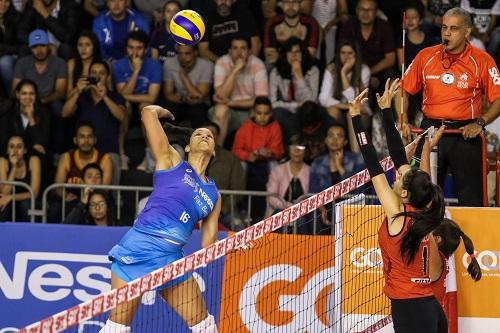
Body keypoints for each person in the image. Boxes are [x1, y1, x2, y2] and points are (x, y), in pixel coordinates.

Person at [98, 104, 221, 333]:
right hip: (137, 250)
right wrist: (159, 112)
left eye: (210, 136)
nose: (205, 136)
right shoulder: (172, 161)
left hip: (171, 260)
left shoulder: (214, 193)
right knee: (116, 328)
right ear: (187, 146)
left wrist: (232, 245)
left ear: (214, 150)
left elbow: (208, 243)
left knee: (206, 327)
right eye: (198, 134)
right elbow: (146, 114)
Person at [349, 80, 447, 332]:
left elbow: (372, 161)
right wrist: (385, 111)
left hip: (411, 310)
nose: (397, 173)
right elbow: (399, 157)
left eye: (400, 177)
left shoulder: (397, 214)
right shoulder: (424, 207)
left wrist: (356, 118)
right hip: (430, 308)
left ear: (404, 193)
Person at [400, 7, 500, 206]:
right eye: (444, 27)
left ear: (467, 32)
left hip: (465, 133)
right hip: (429, 130)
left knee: (471, 200)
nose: (447, 33)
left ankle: (472, 237)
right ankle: (423, 236)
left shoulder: (482, 60)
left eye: (454, 29)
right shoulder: (425, 56)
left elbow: (498, 99)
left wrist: (480, 123)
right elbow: (403, 90)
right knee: (420, 195)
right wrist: (403, 119)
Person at [62, 60, 126, 185]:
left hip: (109, 151)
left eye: (101, 73)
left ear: (107, 77)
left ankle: (112, 203)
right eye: (93, 73)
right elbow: (65, 113)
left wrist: (105, 97)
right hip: (84, 151)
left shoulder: (115, 97)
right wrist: (77, 91)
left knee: (112, 165)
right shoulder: (82, 96)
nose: (97, 76)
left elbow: (122, 116)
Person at [12, 29, 68, 153]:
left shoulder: (59, 63)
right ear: (30, 49)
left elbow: (61, 92)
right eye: (35, 47)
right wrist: (27, 101)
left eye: (42, 45)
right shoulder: (23, 63)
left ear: (48, 46)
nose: (39, 50)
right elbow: (15, 90)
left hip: (48, 100)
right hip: (26, 100)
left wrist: (40, 100)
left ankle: (58, 151)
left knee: (57, 107)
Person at [113, 29, 162, 170]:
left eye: (139, 48)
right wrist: (136, 71)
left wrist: (125, 96)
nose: (134, 53)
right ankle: (122, 155)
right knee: (124, 106)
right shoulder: (118, 65)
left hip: (145, 105)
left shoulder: (155, 65)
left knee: (145, 107)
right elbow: (121, 96)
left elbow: (152, 96)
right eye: (131, 48)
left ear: (146, 49)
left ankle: (149, 156)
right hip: (128, 107)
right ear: (126, 49)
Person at [212, 35, 268, 146]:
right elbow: (221, 95)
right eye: (235, 48)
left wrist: (231, 102)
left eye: (243, 48)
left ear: (249, 51)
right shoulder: (222, 62)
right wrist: (235, 71)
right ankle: (216, 153)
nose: (239, 52)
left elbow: (261, 100)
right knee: (220, 110)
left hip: (250, 110)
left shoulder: (258, 65)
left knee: (259, 112)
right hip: (229, 111)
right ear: (229, 51)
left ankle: (251, 154)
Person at [430, 218, 482, 333]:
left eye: (429, 231)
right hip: (432, 317)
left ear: (437, 239)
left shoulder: (436, 261)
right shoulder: (440, 260)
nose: (425, 234)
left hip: (428, 319)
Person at [318, 39, 370, 152]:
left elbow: (357, 102)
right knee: (332, 111)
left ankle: (356, 156)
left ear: (356, 55)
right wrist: (347, 106)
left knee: (352, 114)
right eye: (343, 53)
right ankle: (334, 154)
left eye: (350, 53)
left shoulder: (364, 70)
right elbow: (323, 99)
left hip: (362, 114)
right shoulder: (331, 69)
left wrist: (343, 74)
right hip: (343, 110)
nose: (346, 56)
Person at [338, 0, 396, 91]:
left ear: (376, 12)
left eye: (370, 10)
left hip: (378, 71)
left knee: (391, 75)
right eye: (362, 9)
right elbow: (342, 53)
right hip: (354, 69)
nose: (365, 13)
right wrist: (362, 75)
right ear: (356, 10)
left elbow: (390, 59)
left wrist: (369, 73)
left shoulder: (384, 26)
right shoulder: (349, 26)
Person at [269, 36, 320, 140]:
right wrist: (295, 105)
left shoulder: (313, 70)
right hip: (286, 109)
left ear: (303, 54)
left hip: (306, 111)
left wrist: (299, 77)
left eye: (297, 52)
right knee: (277, 113)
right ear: (285, 54)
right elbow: (272, 103)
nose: (293, 55)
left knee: (308, 110)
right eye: (290, 52)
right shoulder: (276, 72)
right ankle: (295, 142)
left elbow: (311, 101)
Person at [266, 136, 310, 233]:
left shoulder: (310, 171)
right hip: (279, 211)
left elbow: (312, 197)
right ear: (288, 150)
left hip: (303, 214)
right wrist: (289, 207)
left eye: (301, 148)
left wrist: (298, 209)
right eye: (293, 147)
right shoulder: (278, 170)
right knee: (280, 216)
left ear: (305, 151)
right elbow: (271, 197)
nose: (297, 151)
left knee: (303, 219)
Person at [163, 44, 214, 129]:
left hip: (201, 104)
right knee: (168, 109)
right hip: (180, 100)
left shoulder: (207, 65)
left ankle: (195, 141)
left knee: (197, 112)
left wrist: (184, 77)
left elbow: (199, 96)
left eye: (187, 53)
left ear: (195, 53)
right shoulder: (169, 63)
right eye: (180, 53)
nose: (183, 57)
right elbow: (168, 94)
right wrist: (184, 99)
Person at [0, 79, 50, 157]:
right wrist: (28, 148)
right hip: (11, 156)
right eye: (24, 93)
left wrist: (31, 118)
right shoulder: (8, 112)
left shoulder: (44, 114)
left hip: (34, 158)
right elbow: (4, 142)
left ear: (36, 95)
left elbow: (42, 145)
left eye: (31, 94)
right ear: (17, 94)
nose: (28, 97)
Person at [263, 0, 320, 65]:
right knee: (267, 65)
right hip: (278, 65)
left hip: (303, 65)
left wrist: (280, 54)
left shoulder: (311, 22)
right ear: (282, 4)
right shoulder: (272, 22)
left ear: (300, 4)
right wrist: (296, 55)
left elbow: (311, 55)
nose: (291, 5)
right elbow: (269, 55)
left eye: (295, 1)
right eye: (287, 1)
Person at [0, 135, 41, 222]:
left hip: (30, 203)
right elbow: (4, 193)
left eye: (19, 146)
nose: (15, 150)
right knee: (4, 206)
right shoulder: (2, 162)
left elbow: (34, 193)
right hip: (11, 204)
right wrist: (14, 167)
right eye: (11, 147)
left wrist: (11, 197)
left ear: (25, 150)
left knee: (25, 205)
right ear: (7, 151)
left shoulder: (33, 160)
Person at [67, 30, 102, 97]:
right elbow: (68, 96)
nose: (83, 49)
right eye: (80, 45)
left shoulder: (102, 64)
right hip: (77, 103)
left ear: (94, 47)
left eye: (87, 45)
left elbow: (110, 92)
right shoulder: (71, 63)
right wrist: (77, 88)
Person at [0, 0, 21, 97]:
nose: (3, 4)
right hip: (5, 55)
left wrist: (3, 49)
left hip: (15, 56)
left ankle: (13, 97)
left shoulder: (16, 17)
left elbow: (21, 45)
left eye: (7, 1)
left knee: (5, 62)